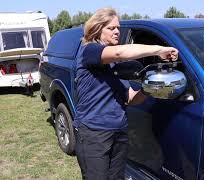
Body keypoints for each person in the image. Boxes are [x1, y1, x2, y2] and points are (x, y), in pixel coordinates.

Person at [73, 7, 178, 180]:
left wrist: (148, 87)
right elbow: (120, 52)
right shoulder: (89, 50)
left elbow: (129, 98)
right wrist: (159, 50)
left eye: (118, 27)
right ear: (97, 29)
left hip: (119, 130)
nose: (117, 31)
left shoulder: (115, 66)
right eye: (111, 28)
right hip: (94, 134)